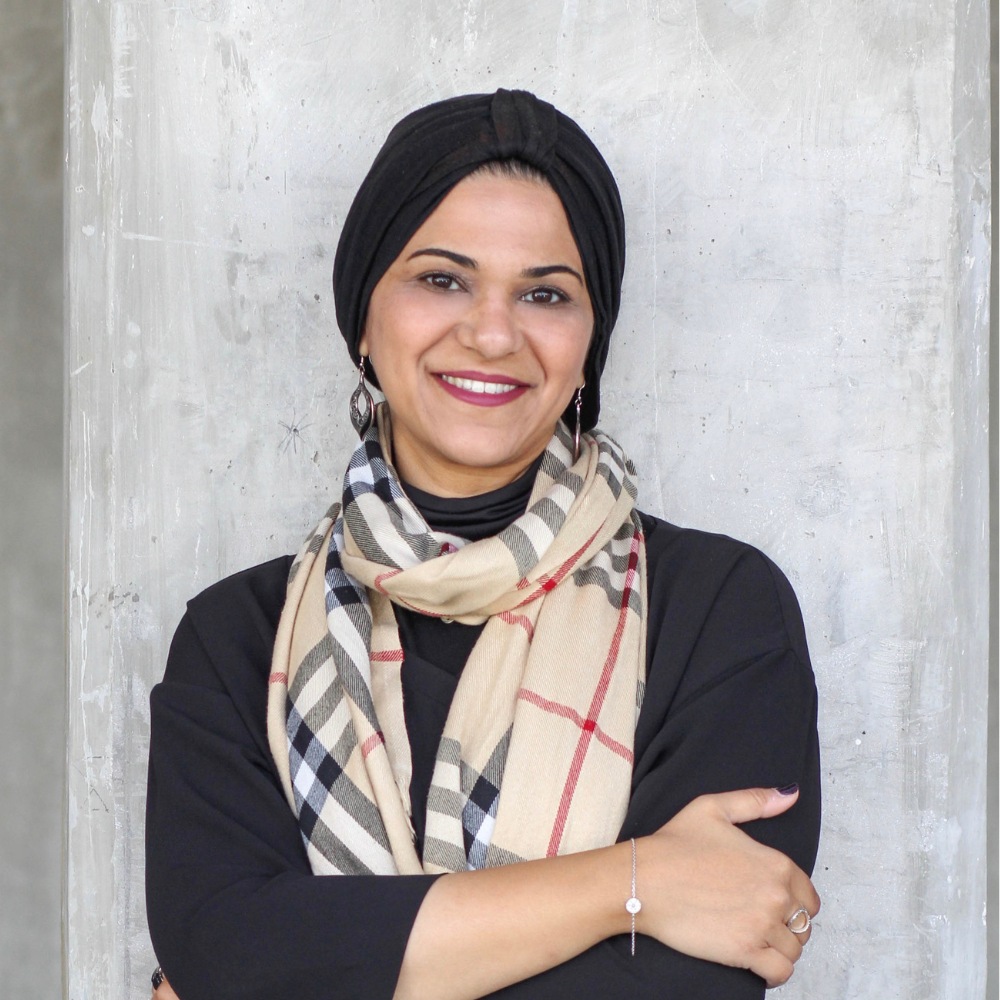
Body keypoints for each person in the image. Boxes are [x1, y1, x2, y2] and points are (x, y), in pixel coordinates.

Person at [146, 89, 821, 1000]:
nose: (494, 333)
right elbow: (224, 949)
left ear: (590, 342)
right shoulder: (235, 639)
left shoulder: (720, 609)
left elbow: (672, 988)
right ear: (362, 321)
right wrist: (636, 884)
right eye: (441, 279)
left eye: (546, 293)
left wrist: (311, 959)